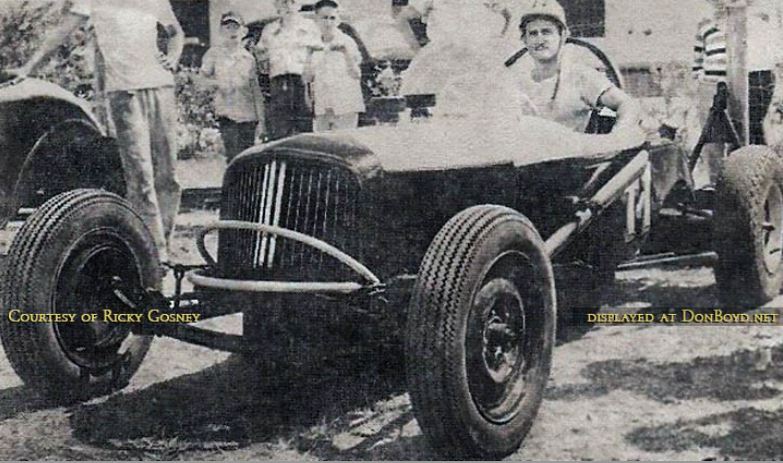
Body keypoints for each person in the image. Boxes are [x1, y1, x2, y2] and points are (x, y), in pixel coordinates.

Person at [11, 0, 183, 267]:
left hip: (161, 87)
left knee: (168, 176)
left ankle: (165, 246)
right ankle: (153, 254)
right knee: (141, 176)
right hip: (124, 92)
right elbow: (62, 31)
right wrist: (28, 68)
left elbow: (175, 33)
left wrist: (171, 58)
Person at [514, 0, 641, 135]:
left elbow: (627, 104)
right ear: (524, 40)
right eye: (533, 33)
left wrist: (618, 135)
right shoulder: (515, 81)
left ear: (562, 36)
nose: (540, 39)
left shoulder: (580, 75)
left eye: (546, 32)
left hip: (570, 153)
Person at [198, 11, 265, 161]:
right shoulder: (214, 54)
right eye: (228, 27)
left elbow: (256, 91)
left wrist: (261, 122)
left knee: (247, 158)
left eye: (236, 27)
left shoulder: (249, 59)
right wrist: (217, 84)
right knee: (233, 156)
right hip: (227, 115)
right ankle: (232, 185)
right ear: (221, 31)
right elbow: (201, 81)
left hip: (248, 117)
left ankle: (246, 185)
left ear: (244, 31)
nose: (232, 31)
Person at [256, 0, 322, 140]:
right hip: (278, 81)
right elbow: (260, 53)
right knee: (280, 126)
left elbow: (318, 53)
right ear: (276, 5)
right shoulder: (270, 29)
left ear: (298, 5)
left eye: (292, 1)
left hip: (301, 80)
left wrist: (310, 70)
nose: (287, 6)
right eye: (282, 2)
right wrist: (264, 61)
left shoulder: (309, 26)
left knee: (304, 125)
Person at [306, 0, 364, 131]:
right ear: (316, 19)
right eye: (324, 18)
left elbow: (356, 74)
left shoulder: (347, 42)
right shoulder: (313, 43)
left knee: (344, 143)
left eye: (332, 18)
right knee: (323, 144)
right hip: (323, 104)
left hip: (345, 105)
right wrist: (308, 55)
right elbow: (307, 78)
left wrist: (345, 53)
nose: (328, 22)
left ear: (338, 20)